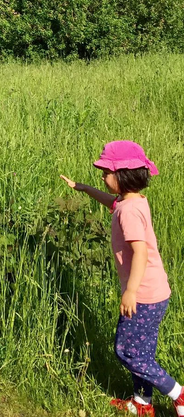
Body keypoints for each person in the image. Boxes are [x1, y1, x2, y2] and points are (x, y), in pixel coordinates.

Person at [61, 140, 184, 417]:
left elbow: (139, 252)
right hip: (155, 292)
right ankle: (142, 403)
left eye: (106, 173)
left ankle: (178, 393)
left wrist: (130, 291)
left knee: (126, 351)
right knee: (142, 352)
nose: (103, 177)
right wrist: (83, 188)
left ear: (122, 176)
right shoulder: (133, 202)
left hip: (143, 295)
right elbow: (111, 203)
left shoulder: (128, 211)